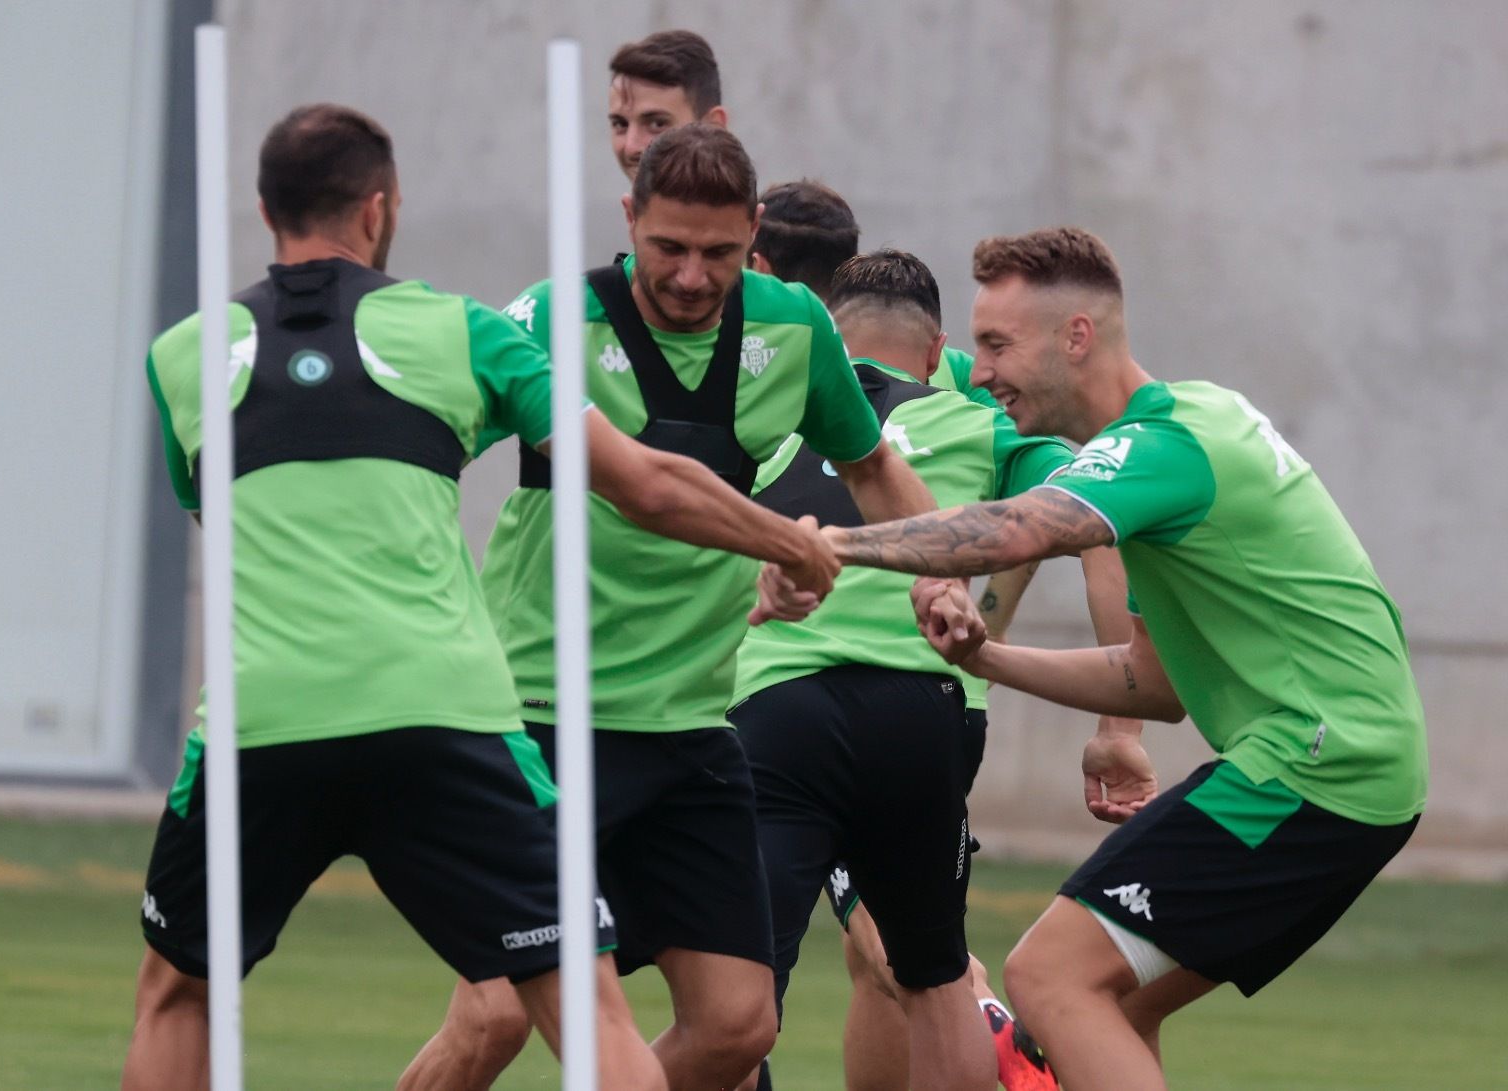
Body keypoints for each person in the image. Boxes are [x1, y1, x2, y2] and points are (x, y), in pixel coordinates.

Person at [122, 103, 845, 1091]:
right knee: (583, 1013)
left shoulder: (179, 358)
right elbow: (644, 482)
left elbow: (214, 509)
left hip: (266, 710)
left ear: (262, 207)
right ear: (380, 210)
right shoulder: (462, 333)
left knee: (179, 994)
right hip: (445, 710)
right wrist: (784, 542)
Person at [820, 226, 1429, 1090]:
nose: (982, 369)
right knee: (1112, 1000)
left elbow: (1015, 527)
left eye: (998, 344)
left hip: (1321, 767)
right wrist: (987, 658)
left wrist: (833, 544)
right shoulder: (1177, 444)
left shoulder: (1163, 446)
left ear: (1077, 336)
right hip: (1335, 763)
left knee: (1050, 976)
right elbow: (1156, 683)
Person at [410, 124, 937, 1091]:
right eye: (669, 249)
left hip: (690, 724)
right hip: (541, 713)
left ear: (755, 236)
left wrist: (939, 579)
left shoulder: (794, 329)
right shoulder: (551, 321)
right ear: (629, 221)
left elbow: (870, 466)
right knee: (490, 1015)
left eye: (719, 254)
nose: (693, 277)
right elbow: (433, 453)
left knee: (740, 1024)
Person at [748, 183, 1076, 1091]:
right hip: (927, 713)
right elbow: (1089, 525)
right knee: (922, 973)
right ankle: (987, 1027)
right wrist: (1114, 728)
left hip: (777, 710)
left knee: (735, 994)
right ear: (941, 351)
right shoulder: (985, 418)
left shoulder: (768, 411)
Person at [607, 29, 728, 180]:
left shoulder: (760, 203)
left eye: (657, 124)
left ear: (713, 126)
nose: (631, 148)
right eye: (620, 124)